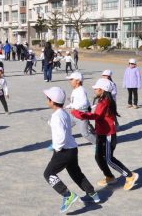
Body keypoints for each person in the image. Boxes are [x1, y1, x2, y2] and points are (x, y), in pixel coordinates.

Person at [71, 79, 139, 191]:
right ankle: (109, 177)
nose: (94, 89)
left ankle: (130, 176)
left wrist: (78, 114)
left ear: (102, 90)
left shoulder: (104, 101)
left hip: (108, 135)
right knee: (98, 157)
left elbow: (96, 116)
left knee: (109, 159)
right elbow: (98, 114)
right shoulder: (103, 100)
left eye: (96, 88)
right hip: (101, 133)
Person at [43, 86, 100, 214]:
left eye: (48, 99)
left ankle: (67, 195)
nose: (47, 100)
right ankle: (92, 195)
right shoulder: (63, 113)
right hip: (72, 148)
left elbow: (61, 136)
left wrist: (56, 148)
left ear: (52, 101)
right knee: (76, 173)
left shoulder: (57, 116)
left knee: (48, 173)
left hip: (63, 150)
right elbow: (65, 127)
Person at [64, 72, 96, 145]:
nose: (70, 81)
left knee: (85, 133)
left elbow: (84, 103)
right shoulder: (75, 90)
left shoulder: (81, 90)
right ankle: (60, 143)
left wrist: (73, 106)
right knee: (65, 126)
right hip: (74, 113)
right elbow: (75, 102)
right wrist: (68, 106)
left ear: (78, 81)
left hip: (81, 114)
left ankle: (98, 144)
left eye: (71, 79)